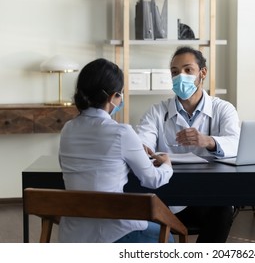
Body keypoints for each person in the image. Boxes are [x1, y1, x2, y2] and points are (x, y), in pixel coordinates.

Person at [58, 58, 174, 243]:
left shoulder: (67, 129)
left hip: (72, 234)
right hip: (111, 232)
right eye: (120, 94)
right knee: (168, 238)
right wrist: (167, 164)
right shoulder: (121, 132)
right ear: (113, 97)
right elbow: (152, 179)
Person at [136, 46, 241, 242]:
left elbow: (237, 142)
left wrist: (208, 141)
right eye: (175, 72)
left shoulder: (223, 109)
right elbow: (143, 143)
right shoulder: (157, 112)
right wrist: (142, 149)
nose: (180, 77)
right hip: (168, 198)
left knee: (224, 208)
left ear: (203, 73)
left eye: (187, 70)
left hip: (208, 197)